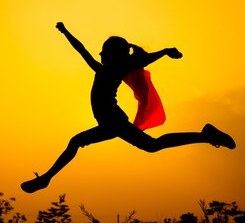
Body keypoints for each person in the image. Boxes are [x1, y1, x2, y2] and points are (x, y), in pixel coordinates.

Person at [21, 22, 236, 193]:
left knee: (77, 141)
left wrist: (165, 51)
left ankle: (46, 179)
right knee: (153, 146)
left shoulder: (115, 69)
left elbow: (142, 60)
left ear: (113, 54)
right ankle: (206, 135)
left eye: (104, 51)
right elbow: (81, 49)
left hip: (113, 121)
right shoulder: (101, 69)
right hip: (112, 121)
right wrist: (65, 32)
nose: (100, 54)